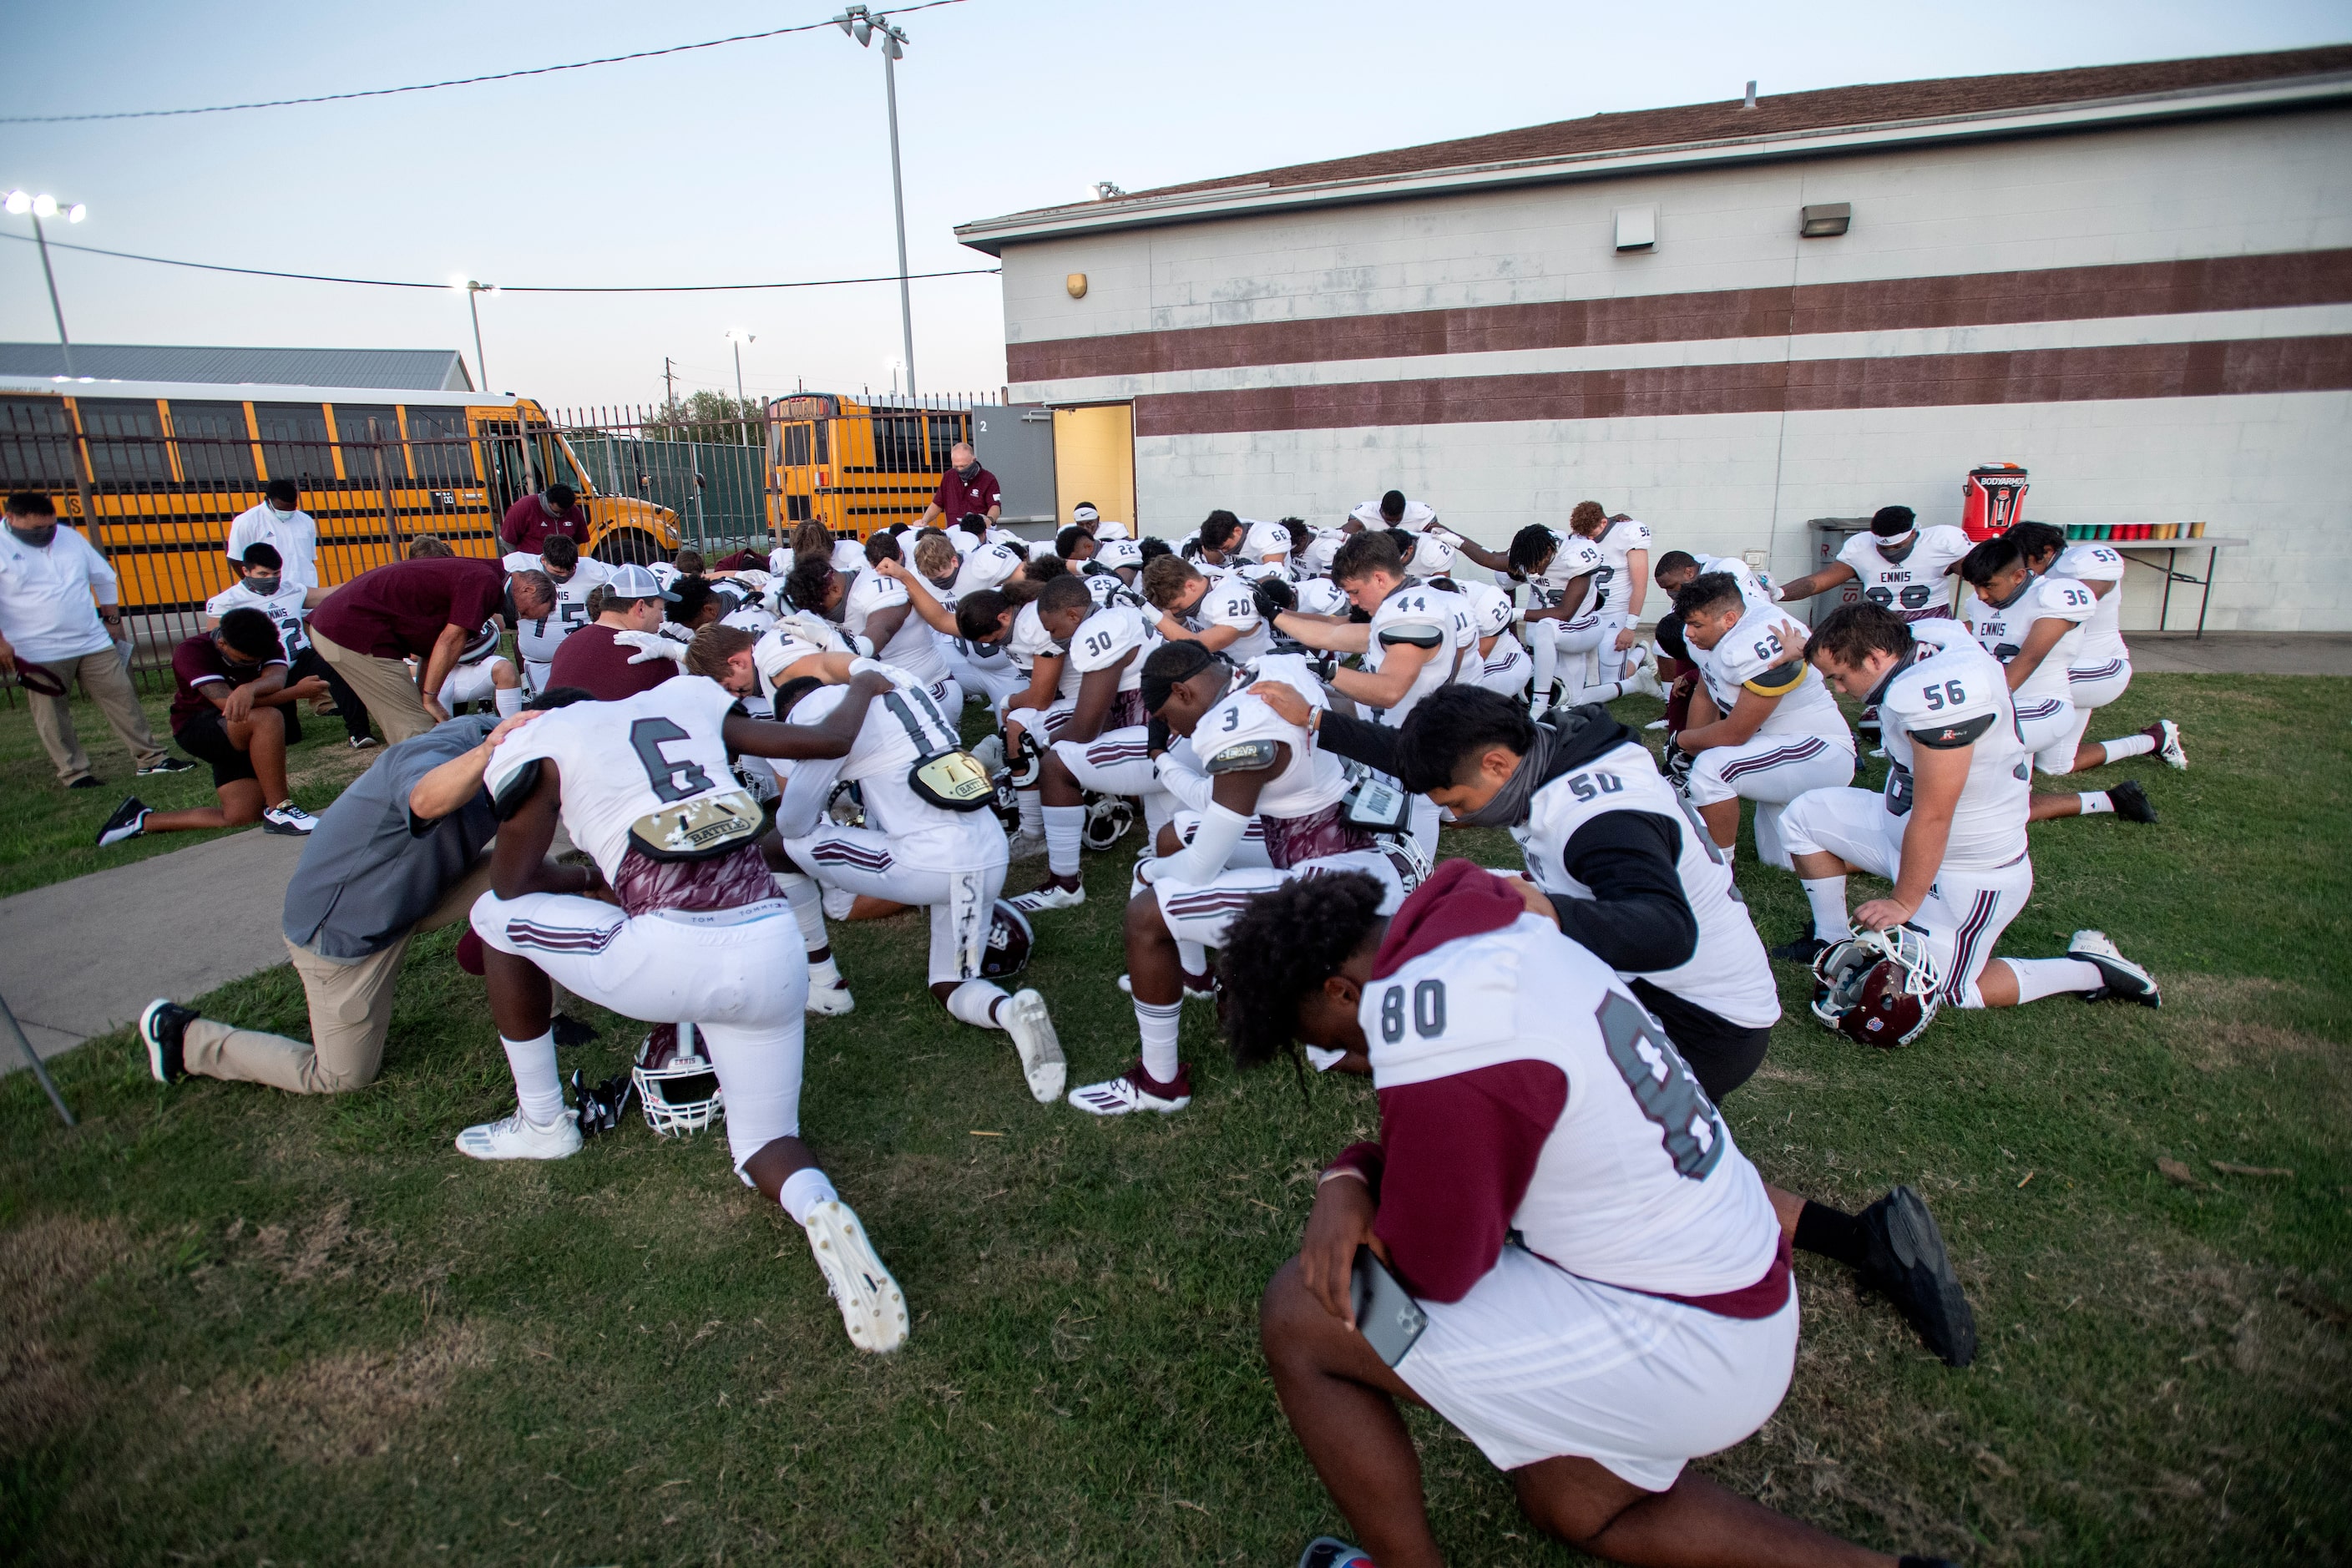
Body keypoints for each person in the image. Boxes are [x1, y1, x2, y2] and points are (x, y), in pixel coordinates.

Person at [1226, 862, 1965, 1568]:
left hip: (1683, 1338)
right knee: (1572, 1505)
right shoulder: (1482, 918)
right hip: (1740, 1286)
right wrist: (1351, 1175)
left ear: (1341, 992)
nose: (1350, 1061)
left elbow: (1433, 1272)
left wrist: (1348, 1181)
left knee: (1304, 1310)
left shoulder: (1435, 1030)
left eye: (1330, 1045)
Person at [1266, 679, 1975, 1363]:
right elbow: (1434, 758)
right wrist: (1322, 723)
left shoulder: (1595, 817)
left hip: (1703, 1015)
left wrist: (1546, 907)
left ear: (1498, 764)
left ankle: (1732, 1296)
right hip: (1684, 994)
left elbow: (1665, 930)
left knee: (1598, 1174)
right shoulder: (1551, 747)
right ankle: (1864, 1239)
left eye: (1456, 802)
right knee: (1674, 1161)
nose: (1452, 818)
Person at [461, 661, 913, 1353]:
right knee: (764, 1140)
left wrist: (591, 875)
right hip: (772, 946)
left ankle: (543, 1122)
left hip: (666, 955)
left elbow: (514, 882)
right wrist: (863, 685)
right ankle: (819, 1205)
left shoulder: (546, 739)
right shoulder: (686, 701)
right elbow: (825, 741)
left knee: (493, 915)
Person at [688, 624, 1066, 1097]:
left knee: (776, 848)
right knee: (950, 983)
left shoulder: (813, 710)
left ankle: (825, 983)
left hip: (928, 862)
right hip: (987, 853)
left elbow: (793, 822)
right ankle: (1012, 1013)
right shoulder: (899, 681)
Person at [135, 705, 559, 1095]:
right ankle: (184, 1038)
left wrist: (592, 877)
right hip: (345, 929)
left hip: (412, 892)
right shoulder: (450, 747)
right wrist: (488, 751)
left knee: (533, 876)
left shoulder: (533, 766)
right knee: (343, 1075)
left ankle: (549, 1014)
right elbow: (425, 800)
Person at [1065, 641, 1404, 1116]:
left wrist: (1149, 873)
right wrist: (1162, 759)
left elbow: (1204, 863)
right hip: (1328, 832)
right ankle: (1194, 975)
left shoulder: (1236, 727)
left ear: (1183, 692)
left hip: (1334, 882)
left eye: (1167, 717)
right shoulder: (1268, 668)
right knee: (1172, 836)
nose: (1174, 730)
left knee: (1147, 912)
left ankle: (1159, 1084)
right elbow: (1221, 796)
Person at [1774, 604, 2162, 1014]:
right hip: (1903, 836)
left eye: (1839, 677)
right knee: (1804, 818)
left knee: (1941, 992)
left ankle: (2092, 969)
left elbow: (1935, 814)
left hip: (1967, 866)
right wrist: (1808, 648)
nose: (1839, 689)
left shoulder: (1933, 700)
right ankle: (1831, 938)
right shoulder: (1926, 638)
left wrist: (1903, 903)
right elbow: (1876, 632)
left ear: (1875, 658)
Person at [1270, 531, 1476, 860]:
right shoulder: (1403, 602)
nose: (1352, 601)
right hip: (1399, 733)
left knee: (1406, 851)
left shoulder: (1411, 613)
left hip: (1410, 741)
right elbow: (1333, 633)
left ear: (1379, 578)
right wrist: (1273, 615)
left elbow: (1389, 691)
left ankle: (1413, 892)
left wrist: (1326, 671)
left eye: (1354, 591)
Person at [1955, 534, 2167, 827]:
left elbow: (2029, 657)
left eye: (1988, 585)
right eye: (1975, 585)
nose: (1981, 595)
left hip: (2044, 706)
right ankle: (2113, 799)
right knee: (2004, 808)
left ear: (2019, 575)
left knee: (1968, 736)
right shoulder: (1981, 604)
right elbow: (1973, 634)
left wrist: (1981, 704)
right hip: (2013, 705)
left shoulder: (2052, 597)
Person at [0, 491, 193, 787]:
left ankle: (152, 760)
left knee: (122, 696)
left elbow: (103, 576)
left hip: (91, 640)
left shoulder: (68, 537)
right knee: (53, 714)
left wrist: (112, 619)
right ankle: (75, 773)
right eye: (37, 529)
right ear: (10, 518)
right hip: (35, 649)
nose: (46, 534)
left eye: (50, 526)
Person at [1670, 573, 1857, 865]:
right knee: (1785, 861)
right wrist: (1693, 751)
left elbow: (1735, 734)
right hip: (1776, 748)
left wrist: (1681, 741)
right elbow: (1707, 691)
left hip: (1818, 750)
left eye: (1696, 625)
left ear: (1729, 619)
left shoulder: (1762, 641)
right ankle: (1879, 859)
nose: (1689, 633)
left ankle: (1717, 868)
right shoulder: (1711, 634)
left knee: (1715, 770)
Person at [2000, 522, 2183, 818]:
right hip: (2074, 669)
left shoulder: (2082, 562)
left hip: (2101, 667)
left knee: (2028, 683)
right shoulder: (2040, 578)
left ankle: (2018, 779)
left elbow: (2088, 595)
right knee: (2058, 765)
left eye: (2025, 561)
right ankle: (2153, 740)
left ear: (2047, 552)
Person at [95, 609, 321, 847]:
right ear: (222, 643)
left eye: (257, 660)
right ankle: (280, 809)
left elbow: (275, 679)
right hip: (198, 727)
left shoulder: (265, 643)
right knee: (268, 718)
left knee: (241, 816)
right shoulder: (191, 651)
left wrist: (249, 689)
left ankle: (140, 820)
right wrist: (294, 693)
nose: (253, 664)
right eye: (245, 661)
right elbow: (227, 705)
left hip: (239, 729)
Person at [1006, 577, 1162, 913]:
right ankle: (1163, 854)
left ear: (1074, 615)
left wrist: (1048, 742)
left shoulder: (1095, 633)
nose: (1051, 637)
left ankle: (1065, 885)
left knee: (1055, 764)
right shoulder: (1112, 615)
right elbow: (1103, 715)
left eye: (1052, 628)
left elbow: (1087, 727)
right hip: (1166, 728)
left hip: (1166, 740)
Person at [310, 553, 549, 743]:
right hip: (351, 630)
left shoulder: (484, 575)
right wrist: (431, 699)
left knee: (421, 722)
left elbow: (430, 647)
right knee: (415, 730)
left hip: (346, 626)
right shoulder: (485, 581)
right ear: (528, 589)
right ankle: (422, 797)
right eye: (525, 612)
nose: (518, 617)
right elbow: (450, 640)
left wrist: (425, 694)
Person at [205, 543, 376, 750]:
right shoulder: (226, 601)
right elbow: (217, 644)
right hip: (264, 667)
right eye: (263, 574)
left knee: (336, 667)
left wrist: (370, 579)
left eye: (276, 573)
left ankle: (359, 732)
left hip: (301, 656)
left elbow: (333, 593)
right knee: (288, 736)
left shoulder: (292, 589)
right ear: (245, 571)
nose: (271, 579)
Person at [1771, 504, 1970, 623]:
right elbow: (1817, 582)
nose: (1891, 553)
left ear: (1913, 533)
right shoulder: (1860, 546)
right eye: (1883, 548)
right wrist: (1778, 593)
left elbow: (1982, 576)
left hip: (1932, 627)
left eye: (1897, 547)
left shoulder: (1942, 541)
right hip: (1884, 630)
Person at [544, 563, 680, 701]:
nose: (662, 619)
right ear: (641, 608)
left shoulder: (569, 643)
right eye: (660, 610)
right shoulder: (652, 653)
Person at [504, 534, 612, 693]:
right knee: (544, 706)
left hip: (581, 658)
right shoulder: (519, 566)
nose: (563, 577)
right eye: (556, 572)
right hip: (539, 662)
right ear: (543, 560)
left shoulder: (594, 570)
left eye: (569, 572)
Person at [1140, 554, 1274, 662]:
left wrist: (1148, 610)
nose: (1174, 613)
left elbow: (1199, 645)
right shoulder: (1198, 578)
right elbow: (1167, 625)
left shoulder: (1231, 598)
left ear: (1191, 586)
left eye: (1177, 606)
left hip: (1256, 671)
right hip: (1221, 669)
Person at [225, 479, 320, 590]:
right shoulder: (247, 522)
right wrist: (255, 587)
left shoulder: (305, 520)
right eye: (282, 509)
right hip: (271, 592)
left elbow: (309, 559)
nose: (287, 512)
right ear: (267, 500)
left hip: (307, 589)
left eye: (292, 508)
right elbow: (235, 559)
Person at [916, 442, 1000, 531]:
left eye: (963, 466)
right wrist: (924, 521)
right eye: (956, 466)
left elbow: (995, 506)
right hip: (954, 532)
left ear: (973, 460)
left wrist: (989, 520)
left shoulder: (988, 479)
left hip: (979, 532)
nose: (960, 470)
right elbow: (937, 504)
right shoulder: (949, 476)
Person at [499, 481, 587, 554]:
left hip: (562, 565)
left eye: (563, 513)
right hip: (531, 564)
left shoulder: (573, 511)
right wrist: (521, 560)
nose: (559, 515)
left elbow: (578, 539)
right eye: (556, 512)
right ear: (549, 501)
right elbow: (506, 540)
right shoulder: (524, 507)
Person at [1344, 489, 1437, 534]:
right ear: (1381, 509)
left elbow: (1441, 533)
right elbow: (1344, 533)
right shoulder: (1366, 512)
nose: (1393, 524)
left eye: (1396, 520)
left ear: (1404, 511)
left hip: (1413, 558)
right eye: (1389, 520)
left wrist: (1450, 538)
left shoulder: (1419, 512)